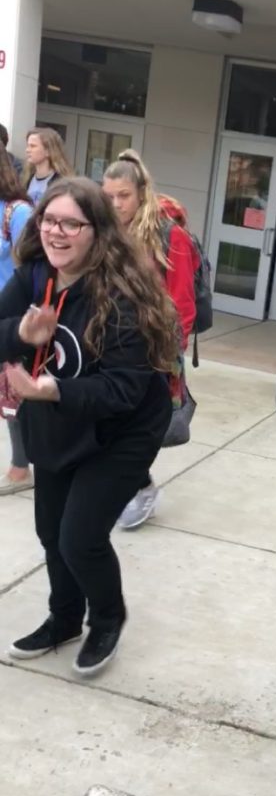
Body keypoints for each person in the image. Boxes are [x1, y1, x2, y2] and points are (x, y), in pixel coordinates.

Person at [1, 177, 177, 675]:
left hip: (123, 431)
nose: (56, 232)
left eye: (70, 224)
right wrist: (19, 331)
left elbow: (123, 390)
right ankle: (63, 620)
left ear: (97, 232)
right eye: (49, 220)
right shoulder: (37, 277)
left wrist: (50, 390)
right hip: (57, 421)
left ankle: (107, 617)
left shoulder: (122, 297)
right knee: (51, 531)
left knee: (80, 536)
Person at [102, 150, 197, 529]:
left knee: (136, 429)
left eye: (123, 195)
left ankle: (140, 487)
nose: (115, 204)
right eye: (108, 196)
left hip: (152, 352)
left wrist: (169, 355)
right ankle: (132, 485)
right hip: (109, 344)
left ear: (141, 192)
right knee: (107, 422)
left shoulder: (169, 235)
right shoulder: (106, 233)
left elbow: (183, 305)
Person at [0, 142, 34, 494]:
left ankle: (21, 466)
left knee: (12, 390)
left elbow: (34, 266)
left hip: (12, 317)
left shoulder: (17, 212)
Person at [23, 127, 73, 205]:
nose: (27, 150)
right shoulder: (26, 179)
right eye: (28, 146)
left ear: (48, 151)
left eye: (33, 146)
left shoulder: (61, 183)